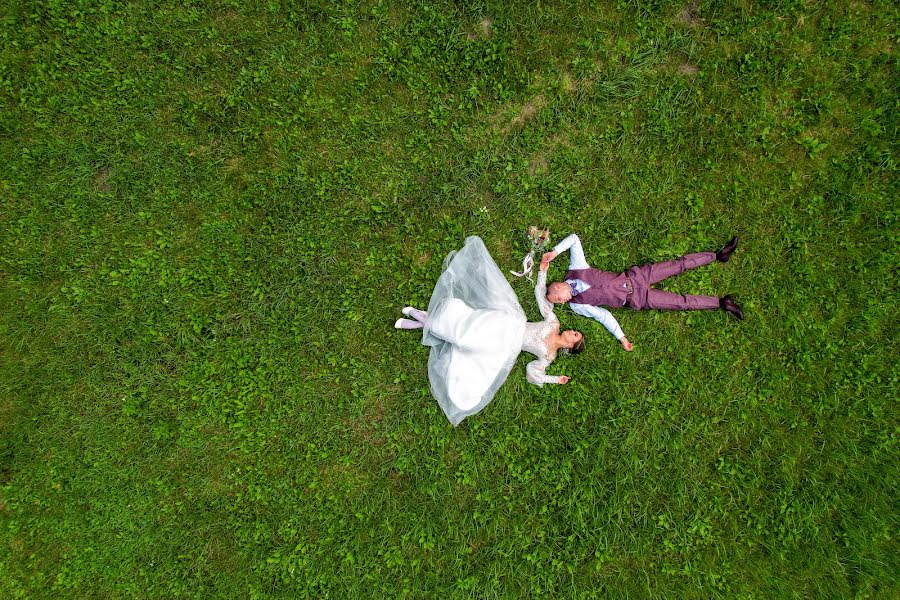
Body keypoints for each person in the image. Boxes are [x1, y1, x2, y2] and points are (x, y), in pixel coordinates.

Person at [395, 236, 585, 426]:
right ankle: (424, 319)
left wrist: (554, 379)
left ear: (570, 345)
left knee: (468, 343)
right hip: (510, 324)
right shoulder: (554, 323)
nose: (572, 331)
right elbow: (541, 297)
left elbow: (532, 373)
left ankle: (423, 321)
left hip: (507, 345)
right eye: (576, 331)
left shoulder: (550, 356)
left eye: (575, 335)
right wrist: (543, 273)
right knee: (469, 324)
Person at [541, 233, 743, 350]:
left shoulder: (578, 268)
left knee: (677, 265)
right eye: (558, 302)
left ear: (558, 286)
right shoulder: (577, 305)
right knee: (680, 302)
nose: (561, 302)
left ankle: (717, 255)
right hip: (638, 298)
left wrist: (555, 252)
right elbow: (603, 315)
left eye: (557, 299)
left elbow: (575, 239)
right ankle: (721, 303)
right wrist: (621, 337)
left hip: (637, 277)